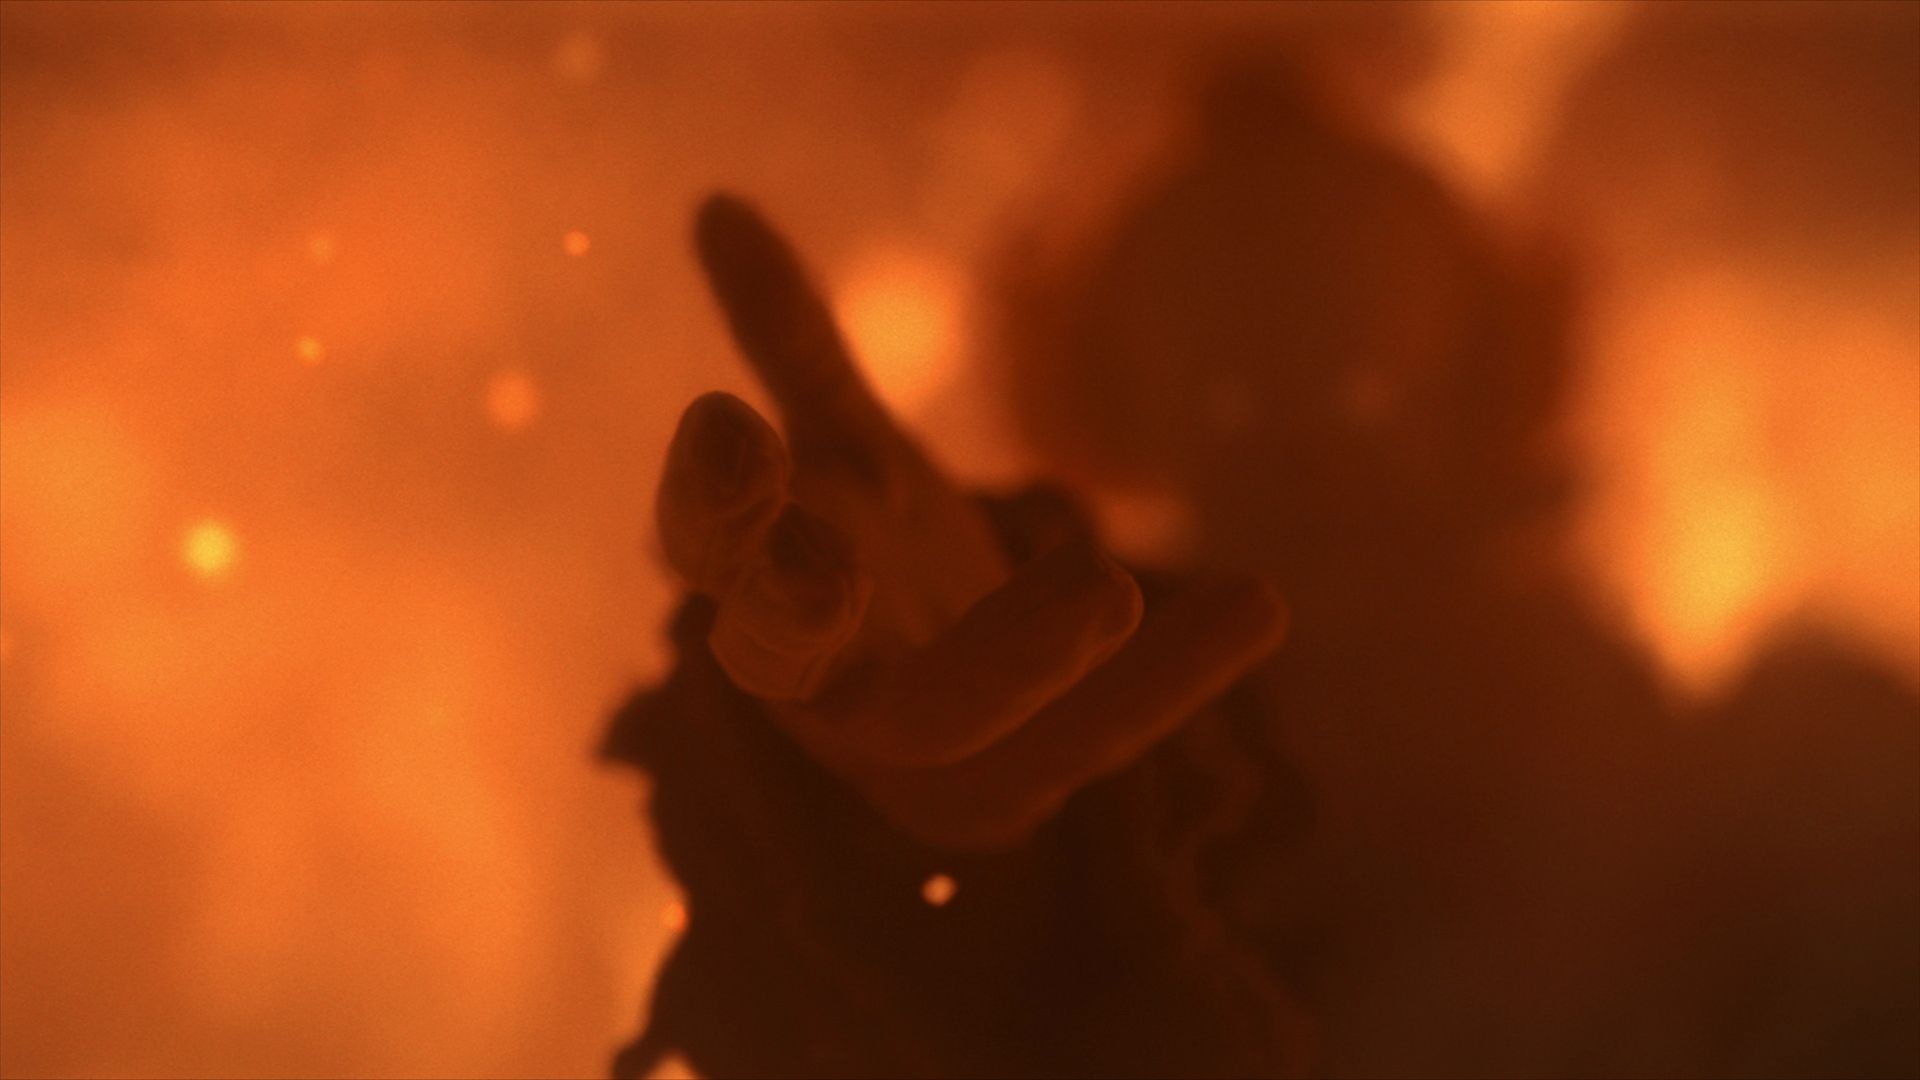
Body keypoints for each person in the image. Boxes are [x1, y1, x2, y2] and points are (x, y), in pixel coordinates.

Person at [605, 61, 1918, 1079]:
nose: (1305, 453)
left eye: (1355, 385)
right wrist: (859, 837)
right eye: (1234, 397)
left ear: (1487, 388)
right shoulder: (1106, 829)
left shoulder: (1788, 806)